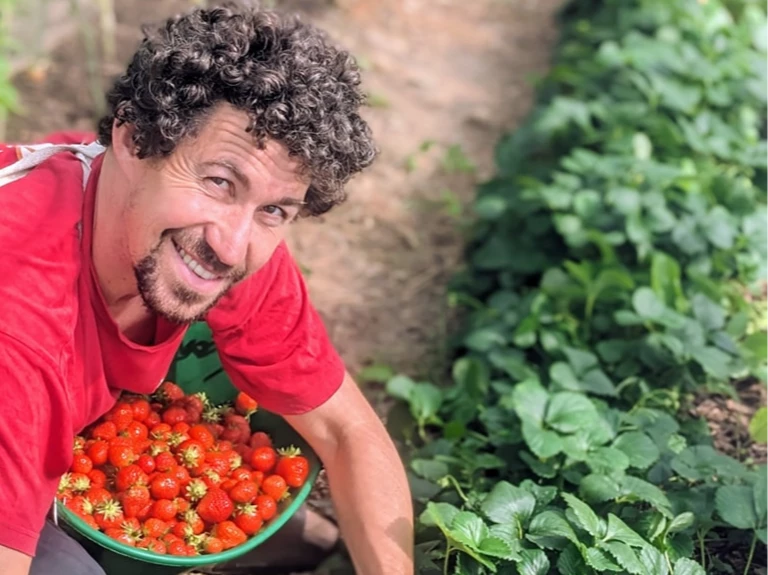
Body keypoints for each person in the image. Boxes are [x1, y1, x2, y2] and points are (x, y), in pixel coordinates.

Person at [0, 4, 414, 575]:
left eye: (274, 209)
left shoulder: (214, 235)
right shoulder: (21, 321)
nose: (232, 246)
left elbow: (348, 434)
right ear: (134, 140)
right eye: (219, 182)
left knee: (309, 537)